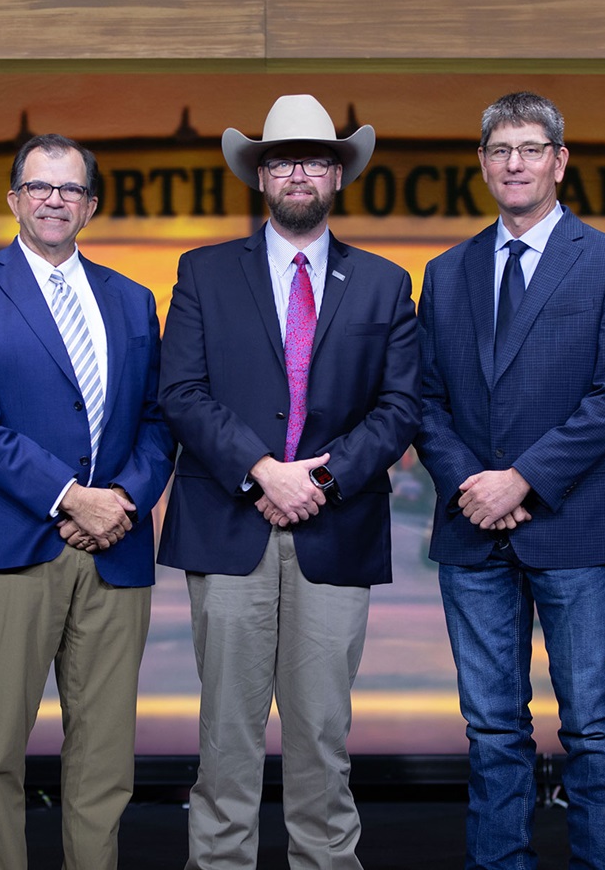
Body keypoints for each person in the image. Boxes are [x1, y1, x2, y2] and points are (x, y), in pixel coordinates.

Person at [158, 94, 421, 870]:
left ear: (337, 175)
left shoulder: (381, 282)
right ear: (259, 176)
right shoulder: (203, 273)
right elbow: (182, 391)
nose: (297, 172)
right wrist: (261, 469)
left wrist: (325, 478)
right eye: (281, 160)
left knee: (320, 739)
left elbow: (401, 405)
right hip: (230, 528)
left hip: (333, 531)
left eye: (314, 159)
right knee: (226, 738)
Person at [414, 91, 605, 870]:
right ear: (483, 165)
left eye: (530, 148)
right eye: (500, 151)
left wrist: (519, 481)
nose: (515, 163)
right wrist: (470, 485)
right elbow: (426, 399)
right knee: (491, 727)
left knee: (590, 723)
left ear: (560, 160)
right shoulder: (445, 273)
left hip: (573, 524)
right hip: (470, 530)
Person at [0, 134, 174, 870]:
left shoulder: (133, 300)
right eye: (38, 186)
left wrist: (123, 502)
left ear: (91, 206)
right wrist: (73, 498)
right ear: (14, 199)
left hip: (116, 552)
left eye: (69, 189)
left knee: (105, 760)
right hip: (14, 548)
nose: (53, 199)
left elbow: (160, 421)